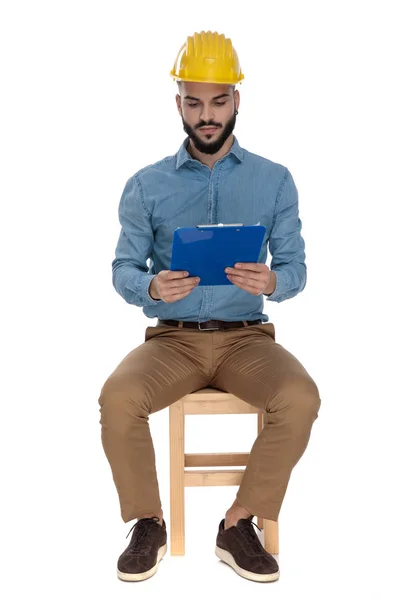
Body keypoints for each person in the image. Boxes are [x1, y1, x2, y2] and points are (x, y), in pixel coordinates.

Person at [98, 30, 321, 583]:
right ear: (178, 103)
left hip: (247, 338)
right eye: (194, 103)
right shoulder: (146, 186)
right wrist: (151, 289)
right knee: (118, 397)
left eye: (218, 101)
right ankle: (148, 521)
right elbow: (122, 271)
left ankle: (237, 523)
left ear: (237, 100)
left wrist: (272, 279)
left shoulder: (275, 181)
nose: (207, 115)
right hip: (173, 340)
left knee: (300, 397)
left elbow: (296, 271)